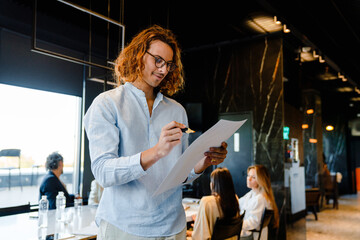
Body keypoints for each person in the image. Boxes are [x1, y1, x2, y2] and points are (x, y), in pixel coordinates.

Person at [83, 24, 228, 239]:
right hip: (125, 227)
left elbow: (179, 173)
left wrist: (202, 163)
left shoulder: (176, 110)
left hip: (173, 226)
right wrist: (157, 152)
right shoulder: (107, 104)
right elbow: (103, 173)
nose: (163, 70)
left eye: (168, 64)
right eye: (157, 60)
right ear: (138, 55)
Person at [187, 167, 240, 240]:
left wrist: (196, 226)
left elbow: (201, 236)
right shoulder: (235, 198)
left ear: (212, 184)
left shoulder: (207, 201)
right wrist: (199, 221)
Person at [239, 165, 279, 240]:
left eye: (253, 177)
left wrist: (236, 225)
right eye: (248, 176)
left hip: (252, 236)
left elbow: (253, 223)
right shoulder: (252, 193)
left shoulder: (260, 198)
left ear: (261, 180)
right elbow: (238, 203)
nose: (249, 179)